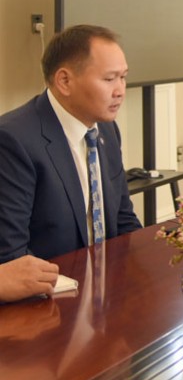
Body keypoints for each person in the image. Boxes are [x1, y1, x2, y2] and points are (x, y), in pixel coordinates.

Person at [0, 25, 141, 263]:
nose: (120, 91)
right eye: (109, 79)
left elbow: (123, 220)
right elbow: (11, 254)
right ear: (64, 81)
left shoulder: (106, 130)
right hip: (52, 282)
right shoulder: (13, 140)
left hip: (107, 278)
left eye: (123, 77)